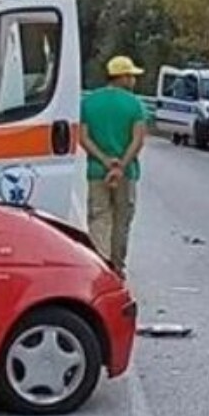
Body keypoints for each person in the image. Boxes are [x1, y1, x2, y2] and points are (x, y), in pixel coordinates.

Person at [80, 56, 147, 277]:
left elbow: (84, 138)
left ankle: (100, 264)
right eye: (131, 76)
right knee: (121, 219)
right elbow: (137, 140)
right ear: (122, 78)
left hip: (97, 172)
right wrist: (120, 166)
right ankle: (117, 267)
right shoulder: (135, 104)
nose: (134, 81)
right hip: (126, 173)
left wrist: (105, 161)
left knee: (99, 217)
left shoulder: (89, 102)